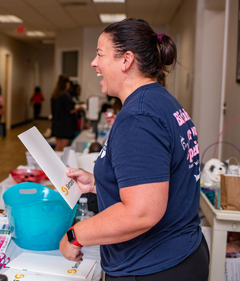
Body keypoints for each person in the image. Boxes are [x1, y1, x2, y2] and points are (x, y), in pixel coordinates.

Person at [59, 18, 209, 280]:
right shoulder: (161, 101)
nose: (94, 63)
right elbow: (157, 177)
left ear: (126, 60)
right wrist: (98, 184)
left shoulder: (139, 117)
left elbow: (141, 212)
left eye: (100, 54)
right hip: (181, 253)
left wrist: (75, 235)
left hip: (154, 266)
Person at [50, 75, 82, 151]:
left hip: (57, 125)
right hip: (65, 126)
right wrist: (79, 108)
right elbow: (71, 110)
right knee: (63, 149)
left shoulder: (55, 95)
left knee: (58, 147)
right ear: (67, 84)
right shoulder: (65, 95)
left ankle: (54, 162)